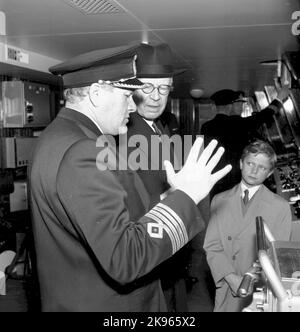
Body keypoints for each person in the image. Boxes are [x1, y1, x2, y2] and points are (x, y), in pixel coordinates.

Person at [29, 43, 232, 312]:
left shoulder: (57, 137)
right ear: (97, 94)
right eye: (127, 95)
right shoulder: (83, 151)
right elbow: (124, 258)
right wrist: (185, 198)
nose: (134, 105)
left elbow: (111, 216)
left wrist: (168, 197)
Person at [125, 42, 187, 311]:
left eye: (163, 88)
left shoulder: (158, 127)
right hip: (147, 252)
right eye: (147, 87)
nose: (155, 97)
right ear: (131, 89)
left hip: (166, 252)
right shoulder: (123, 133)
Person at [203, 139, 292, 312]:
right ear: (241, 163)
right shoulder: (219, 200)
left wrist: (248, 278)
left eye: (262, 167)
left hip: (259, 289)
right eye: (250, 163)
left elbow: (277, 254)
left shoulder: (280, 207)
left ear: (269, 173)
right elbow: (212, 246)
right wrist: (231, 278)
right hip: (227, 284)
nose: (254, 170)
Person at [200, 87, 290, 199]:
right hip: (237, 180)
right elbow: (266, 114)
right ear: (230, 106)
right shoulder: (239, 124)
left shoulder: (205, 127)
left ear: (214, 107)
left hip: (216, 181)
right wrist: (280, 97)